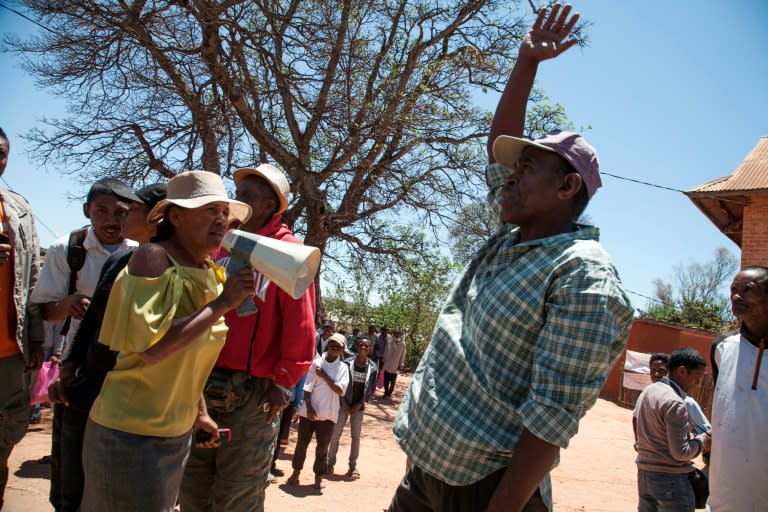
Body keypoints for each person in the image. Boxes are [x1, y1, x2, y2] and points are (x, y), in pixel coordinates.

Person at [388, 5, 634, 512]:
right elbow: (496, 150)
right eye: (513, 169)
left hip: (487, 493)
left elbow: (551, 415)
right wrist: (526, 62)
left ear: (568, 187)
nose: (510, 178)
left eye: (527, 169)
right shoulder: (512, 240)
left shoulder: (581, 273)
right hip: (424, 475)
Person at [79, 171, 254, 512]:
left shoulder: (211, 272)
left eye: (224, 212)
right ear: (175, 216)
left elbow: (189, 357)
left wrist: (199, 413)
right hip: (129, 434)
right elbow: (152, 350)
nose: (221, 220)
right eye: (209, 210)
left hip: (173, 435)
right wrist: (220, 305)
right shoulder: (153, 258)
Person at [180, 164, 316, 512]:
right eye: (237, 195)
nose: (236, 202)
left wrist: (284, 383)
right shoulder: (220, 242)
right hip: (202, 383)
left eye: (246, 197)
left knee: (237, 494)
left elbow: (301, 327)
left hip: (255, 394)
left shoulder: (289, 253)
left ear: (269, 206)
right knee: (193, 485)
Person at [48, 183, 167, 512]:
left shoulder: (172, 270)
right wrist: (69, 366)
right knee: (68, 492)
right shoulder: (121, 259)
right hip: (84, 392)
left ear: (158, 219)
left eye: (135, 209)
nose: (125, 214)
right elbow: (90, 321)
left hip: (124, 405)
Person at [31, 176, 138, 512]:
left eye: (121, 213)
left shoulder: (141, 252)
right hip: (76, 369)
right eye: (102, 211)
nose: (111, 220)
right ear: (86, 211)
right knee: (71, 465)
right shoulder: (69, 249)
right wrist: (70, 303)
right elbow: (45, 311)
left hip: (124, 372)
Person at [0, 127, 44, 508]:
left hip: (8, 352)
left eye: (1, 153)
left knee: (5, 436)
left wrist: (35, 338)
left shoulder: (19, 209)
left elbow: (31, 281)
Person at [707, 266, 768, 511]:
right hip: (725, 499)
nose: (736, 296)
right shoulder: (722, 347)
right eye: (733, 289)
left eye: (747, 290)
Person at [633, 348, 711, 511]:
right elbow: (680, 453)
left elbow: (635, 419)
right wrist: (703, 441)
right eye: (697, 377)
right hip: (671, 481)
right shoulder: (675, 402)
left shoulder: (649, 391)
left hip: (645, 475)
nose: (697, 384)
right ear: (682, 371)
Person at [287, 334, 349, 490]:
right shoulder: (317, 363)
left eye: (338, 345)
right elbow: (307, 387)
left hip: (328, 414)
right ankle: (296, 473)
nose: (334, 347)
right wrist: (308, 407)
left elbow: (339, 390)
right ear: (327, 346)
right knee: (301, 444)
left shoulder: (343, 368)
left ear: (342, 349)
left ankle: (318, 477)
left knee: (322, 448)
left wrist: (325, 376)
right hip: (310, 411)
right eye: (332, 344)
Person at [327, 335, 378, 479]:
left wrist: (360, 404)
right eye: (361, 345)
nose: (363, 348)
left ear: (369, 349)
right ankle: (329, 464)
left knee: (355, 437)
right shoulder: (347, 363)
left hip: (358, 408)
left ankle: (353, 467)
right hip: (343, 404)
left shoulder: (373, 368)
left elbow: (371, 389)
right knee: (335, 434)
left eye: (366, 346)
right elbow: (340, 383)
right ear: (356, 347)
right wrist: (343, 402)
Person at [381, 328, 406, 399]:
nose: (397, 334)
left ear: (400, 335)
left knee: (393, 381)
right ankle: (386, 392)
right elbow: (385, 352)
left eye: (398, 333)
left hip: (396, 365)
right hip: (387, 364)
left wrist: (401, 364)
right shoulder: (389, 342)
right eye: (396, 333)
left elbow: (403, 355)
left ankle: (389, 393)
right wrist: (383, 362)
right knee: (386, 380)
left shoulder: (403, 344)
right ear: (394, 334)